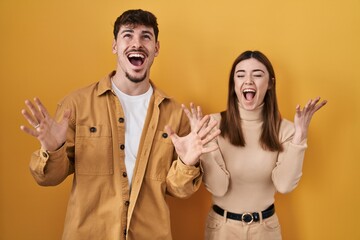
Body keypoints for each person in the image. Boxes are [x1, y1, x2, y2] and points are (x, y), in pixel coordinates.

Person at [20, 9, 220, 240]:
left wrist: (187, 162)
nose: (137, 44)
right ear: (115, 45)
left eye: (146, 36)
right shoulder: (76, 105)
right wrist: (53, 150)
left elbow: (177, 189)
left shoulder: (175, 115)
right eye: (128, 35)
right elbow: (48, 178)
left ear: (156, 48)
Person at [191, 50, 327, 240]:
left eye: (257, 75)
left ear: (270, 83)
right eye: (240, 75)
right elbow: (218, 187)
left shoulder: (286, 130)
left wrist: (300, 138)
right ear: (234, 85)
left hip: (266, 230)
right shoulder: (213, 125)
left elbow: (285, 185)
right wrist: (203, 144)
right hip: (221, 229)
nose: (248, 81)